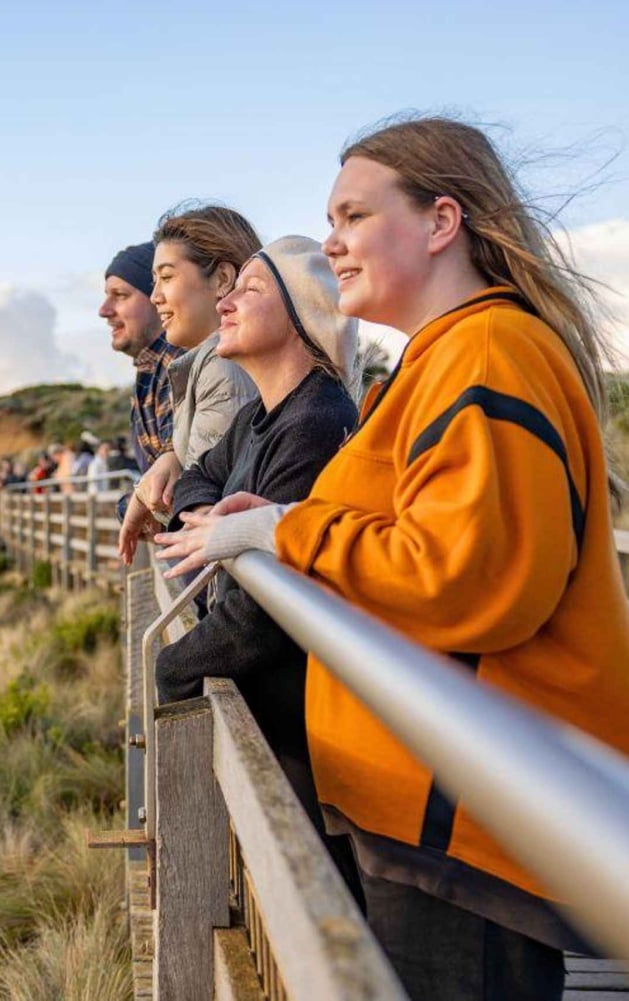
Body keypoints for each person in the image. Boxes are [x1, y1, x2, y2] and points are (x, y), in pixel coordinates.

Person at [153, 116, 629, 1001]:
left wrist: (279, 532)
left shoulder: (489, 354)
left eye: (352, 216)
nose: (334, 242)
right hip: (434, 808)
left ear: (440, 222)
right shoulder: (444, 359)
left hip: (468, 816)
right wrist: (287, 515)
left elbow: (468, 576)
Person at [154, 235, 364, 904]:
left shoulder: (317, 420)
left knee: (314, 892)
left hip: (308, 725)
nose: (227, 299)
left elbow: (262, 613)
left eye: (250, 286)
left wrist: (171, 667)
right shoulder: (258, 418)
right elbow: (196, 475)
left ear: (303, 315)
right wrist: (214, 520)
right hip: (276, 710)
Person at [118, 204, 260, 563]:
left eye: (166, 277)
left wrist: (141, 498)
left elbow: (201, 509)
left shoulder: (224, 365)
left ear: (223, 280)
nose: (155, 296)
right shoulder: (206, 363)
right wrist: (169, 457)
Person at [100, 242, 181, 474]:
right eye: (107, 296)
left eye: (120, 295)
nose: (104, 310)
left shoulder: (177, 366)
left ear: (157, 298)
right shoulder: (150, 369)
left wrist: (127, 507)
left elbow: (168, 489)